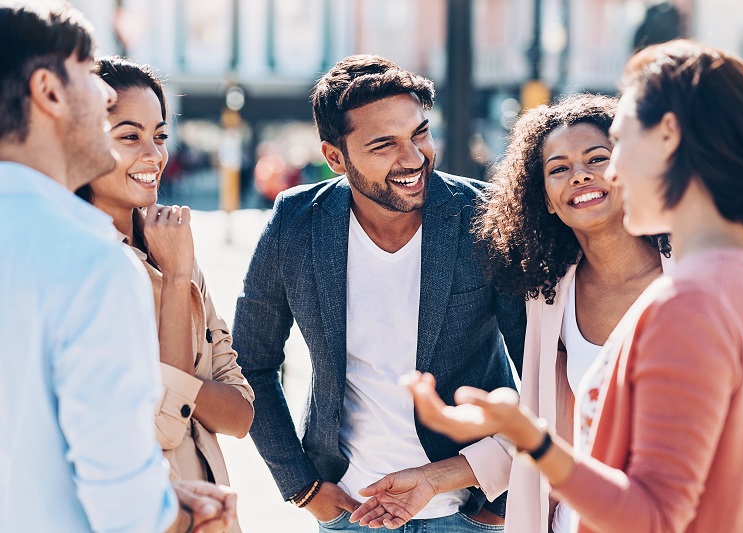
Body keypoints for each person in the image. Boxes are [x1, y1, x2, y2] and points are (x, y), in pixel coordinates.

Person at [408, 40, 743, 533]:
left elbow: (650, 516)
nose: (607, 172)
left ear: (668, 138)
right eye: (560, 168)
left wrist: (532, 439)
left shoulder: (690, 302)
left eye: (618, 142)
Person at [232, 54, 526, 531]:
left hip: (471, 510)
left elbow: (540, 372)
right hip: (352, 512)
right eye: (383, 144)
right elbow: (251, 361)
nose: (412, 158)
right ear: (334, 158)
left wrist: (493, 500)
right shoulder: (296, 224)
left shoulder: (485, 218)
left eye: (419, 134)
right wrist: (302, 487)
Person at [0, 3, 235, 532]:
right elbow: (126, 506)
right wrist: (188, 516)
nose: (104, 93)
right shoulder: (88, 260)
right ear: (49, 91)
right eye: (88, 75)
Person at [75, 55, 255, 532]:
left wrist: (173, 384)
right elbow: (162, 428)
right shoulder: (85, 265)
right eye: (129, 137)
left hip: (213, 516)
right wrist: (176, 282)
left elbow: (240, 414)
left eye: (159, 136)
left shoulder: (174, 248)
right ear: (82, 142)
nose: (153, 156)